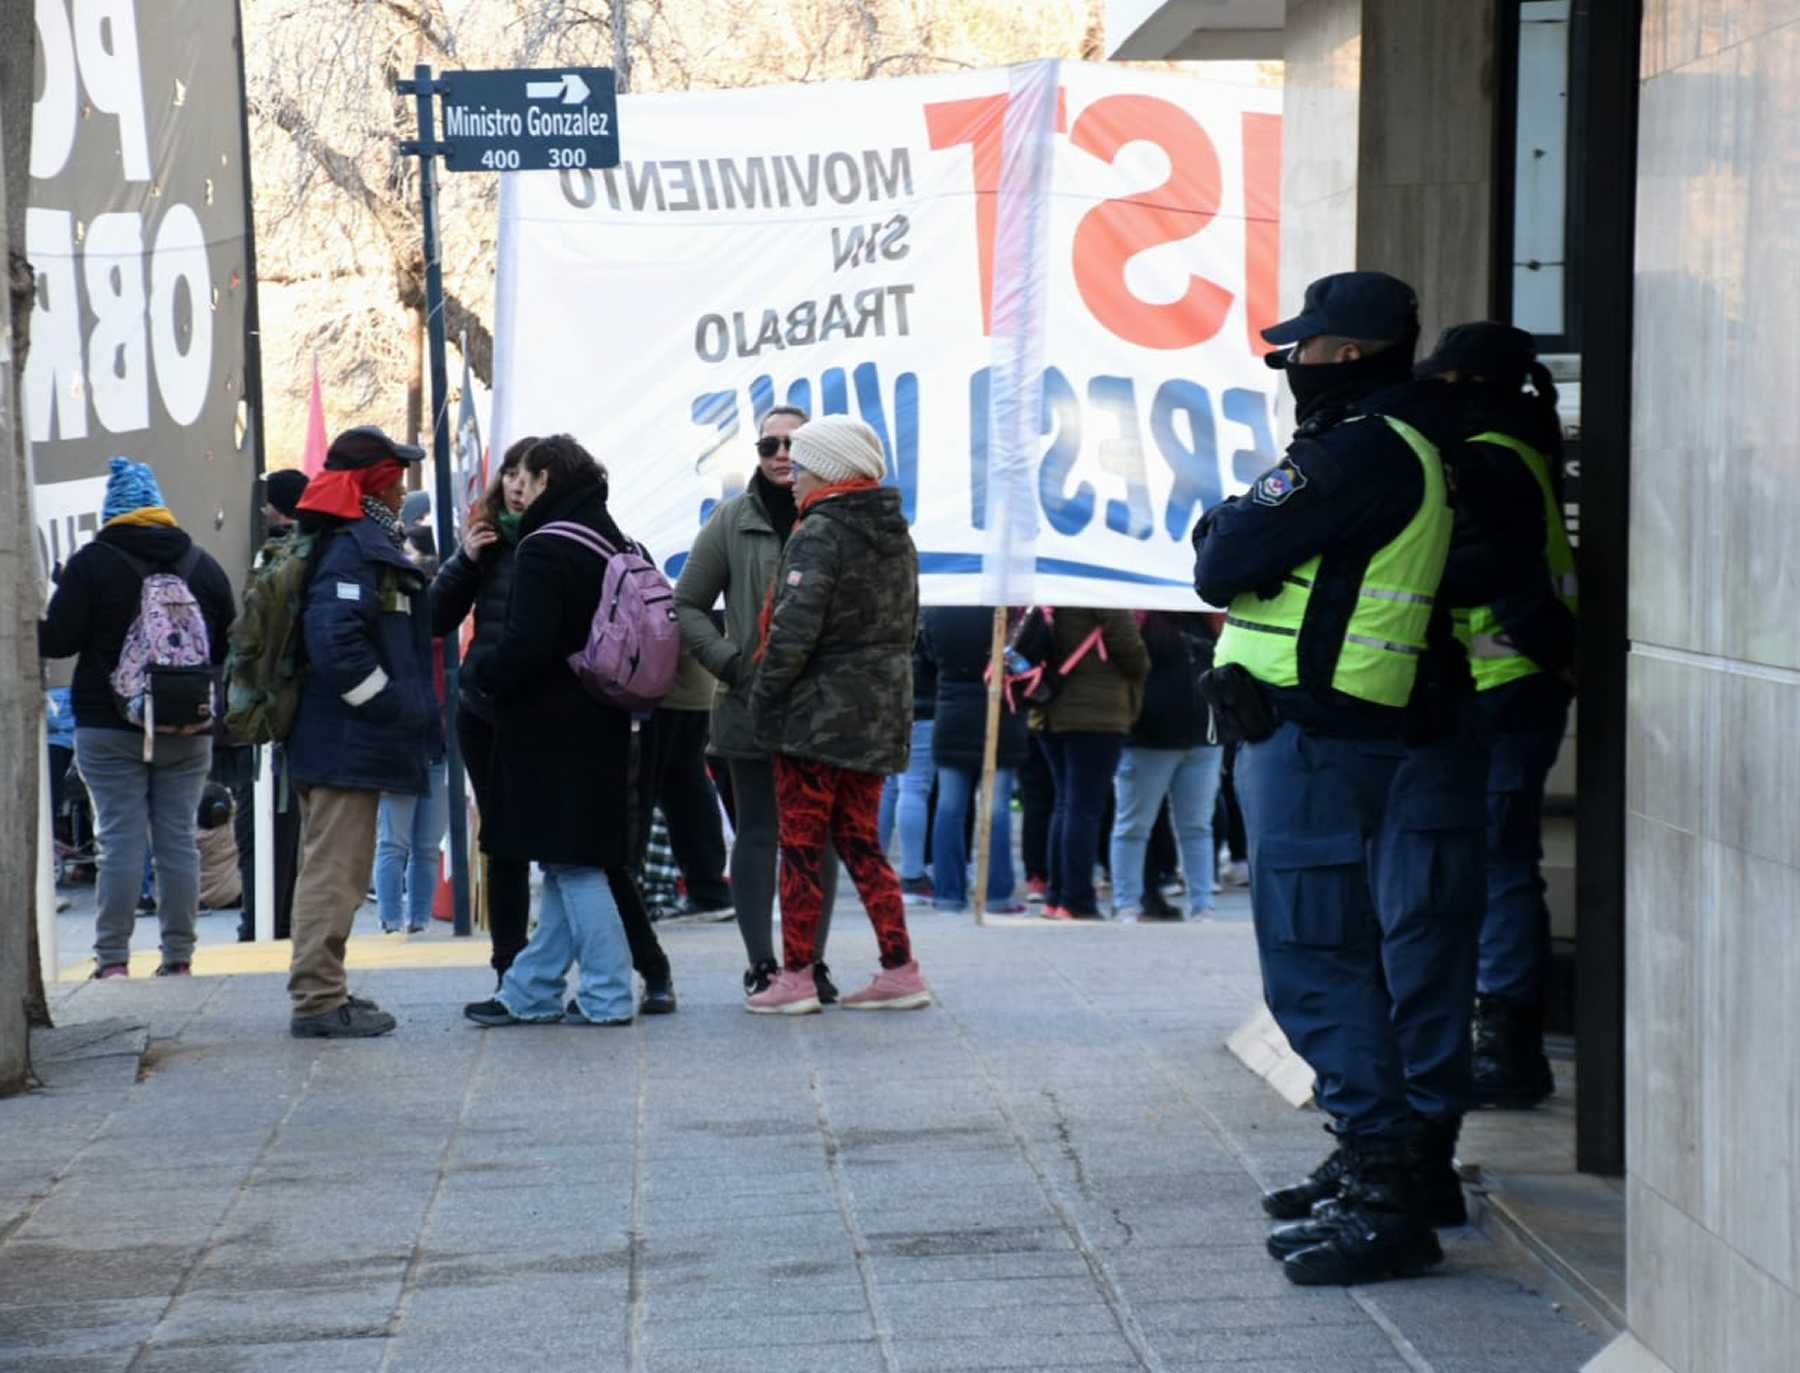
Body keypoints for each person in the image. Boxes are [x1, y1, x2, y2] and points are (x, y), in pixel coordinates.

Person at [1194, 271, 1472, 1286]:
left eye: (1300, 348)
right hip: (1329, 725)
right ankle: (1377, 1166)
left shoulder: (1357, 448)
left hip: (1314, 732)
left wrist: (1226, 527)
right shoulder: (1397, 442)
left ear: (1348, 354)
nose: (1287, 363)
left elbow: (1223, 561)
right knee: (1340, 951)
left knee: (1314, 956)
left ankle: (1388, 1192)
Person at [434, 440, 678, 1014]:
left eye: (529, 475)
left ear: (547, 479)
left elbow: (528, 645)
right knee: (572, 860)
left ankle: (607, 992)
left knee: (574, 866)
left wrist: (485, 673)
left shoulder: (545, 546)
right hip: (604, 719)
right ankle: (532, 990)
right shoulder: (609, 536)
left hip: (546, 726)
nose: (520, 486)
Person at [1417, 322, 1579, 1109]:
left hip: (1502, 682)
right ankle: (1507, 1035)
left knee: (1497, 864)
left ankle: (1507, 1043)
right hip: (1517, 680)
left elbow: (1487, 572)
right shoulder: (1517, 443)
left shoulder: (1487, 456)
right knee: (1500, 861)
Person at [744, 415, 928, 1013]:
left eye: (800, 466)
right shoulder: (895, 532)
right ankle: (900, 968)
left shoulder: (820, 530)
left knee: (799, 844)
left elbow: (793, 630)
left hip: (816, 719)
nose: (791, 477)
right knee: (860, 842)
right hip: (876, 715)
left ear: (827, 471)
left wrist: (763, 694)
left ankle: (795, 974)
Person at [38, 457, 235, 978]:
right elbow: (226, 643)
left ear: (113, 513)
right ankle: (178, 957)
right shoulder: (202, 565)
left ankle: (113, 961)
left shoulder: (92, 563)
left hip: (108, 726)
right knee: (177, 840)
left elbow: (56, 640)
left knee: (119, 839)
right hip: (187, 727)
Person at [675, 405, 839, 1002]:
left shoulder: (839, 518)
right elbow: (686, 604)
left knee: (816, 838)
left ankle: (810, 963)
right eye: (768, 445)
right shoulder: (731, 520)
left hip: (824, 709)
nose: (780, 455)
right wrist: (728, 660)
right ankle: (762, 963)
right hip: (749, 704)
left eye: (793, 444)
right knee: (761, 833)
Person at [285, 427, 440, 1038]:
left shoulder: (355, 540)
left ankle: (326, 989)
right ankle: (319, 1001)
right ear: (376, 481)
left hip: (335, 739)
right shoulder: (354, 546)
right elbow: (336, 642)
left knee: (331, 870)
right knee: (336, 874)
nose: (404, 490)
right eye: (396, 478)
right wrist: (389, 706)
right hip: (346, 741)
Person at [1028, 609, 1148, 921]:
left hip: (1048, 709)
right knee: (1083, 808)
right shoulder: (1101, 591)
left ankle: (1056, 897)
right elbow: (1130, 650)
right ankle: (1076, 899)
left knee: (1065, 804)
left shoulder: (1050, 590)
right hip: (1096, 713)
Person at [232, 467, 309, 941]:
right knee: (290, 825)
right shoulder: (313, 550)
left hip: (267, 711)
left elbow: (253, 635)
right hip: (296, 710)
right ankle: (278, 918)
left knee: (260, 825)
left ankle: (261, 921)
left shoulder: (273, 556)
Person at [1110, 612, 1223, 922]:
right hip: (1151, 737)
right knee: (1136, 825)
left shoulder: (1206, 617)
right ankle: (1127, 902)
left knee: (1195, 826)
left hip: (1200, 738)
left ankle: (1202, 904)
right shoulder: (1141, 616)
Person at [921, 606, 1026, 913]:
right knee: (996, 809)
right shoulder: (1009, 612)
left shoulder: (939, 611)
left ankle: (948, 893)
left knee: (949, 808)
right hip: (1001, 712)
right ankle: (997, 893)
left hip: (952, 711)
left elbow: (929, 659)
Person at [374, 515, 449, 934]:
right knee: (401, 842)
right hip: (412, 736)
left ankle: (411, 920)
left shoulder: (425, 613)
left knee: (416, 844)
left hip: (428, 738)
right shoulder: (397, 614)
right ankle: (394, 918)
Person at [878, 634, 937, 903]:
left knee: (890, 787)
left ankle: (870, 870)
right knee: (912, 788)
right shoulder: (930, 609)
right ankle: (912, 875)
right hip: (922, 706)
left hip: (888, 705)